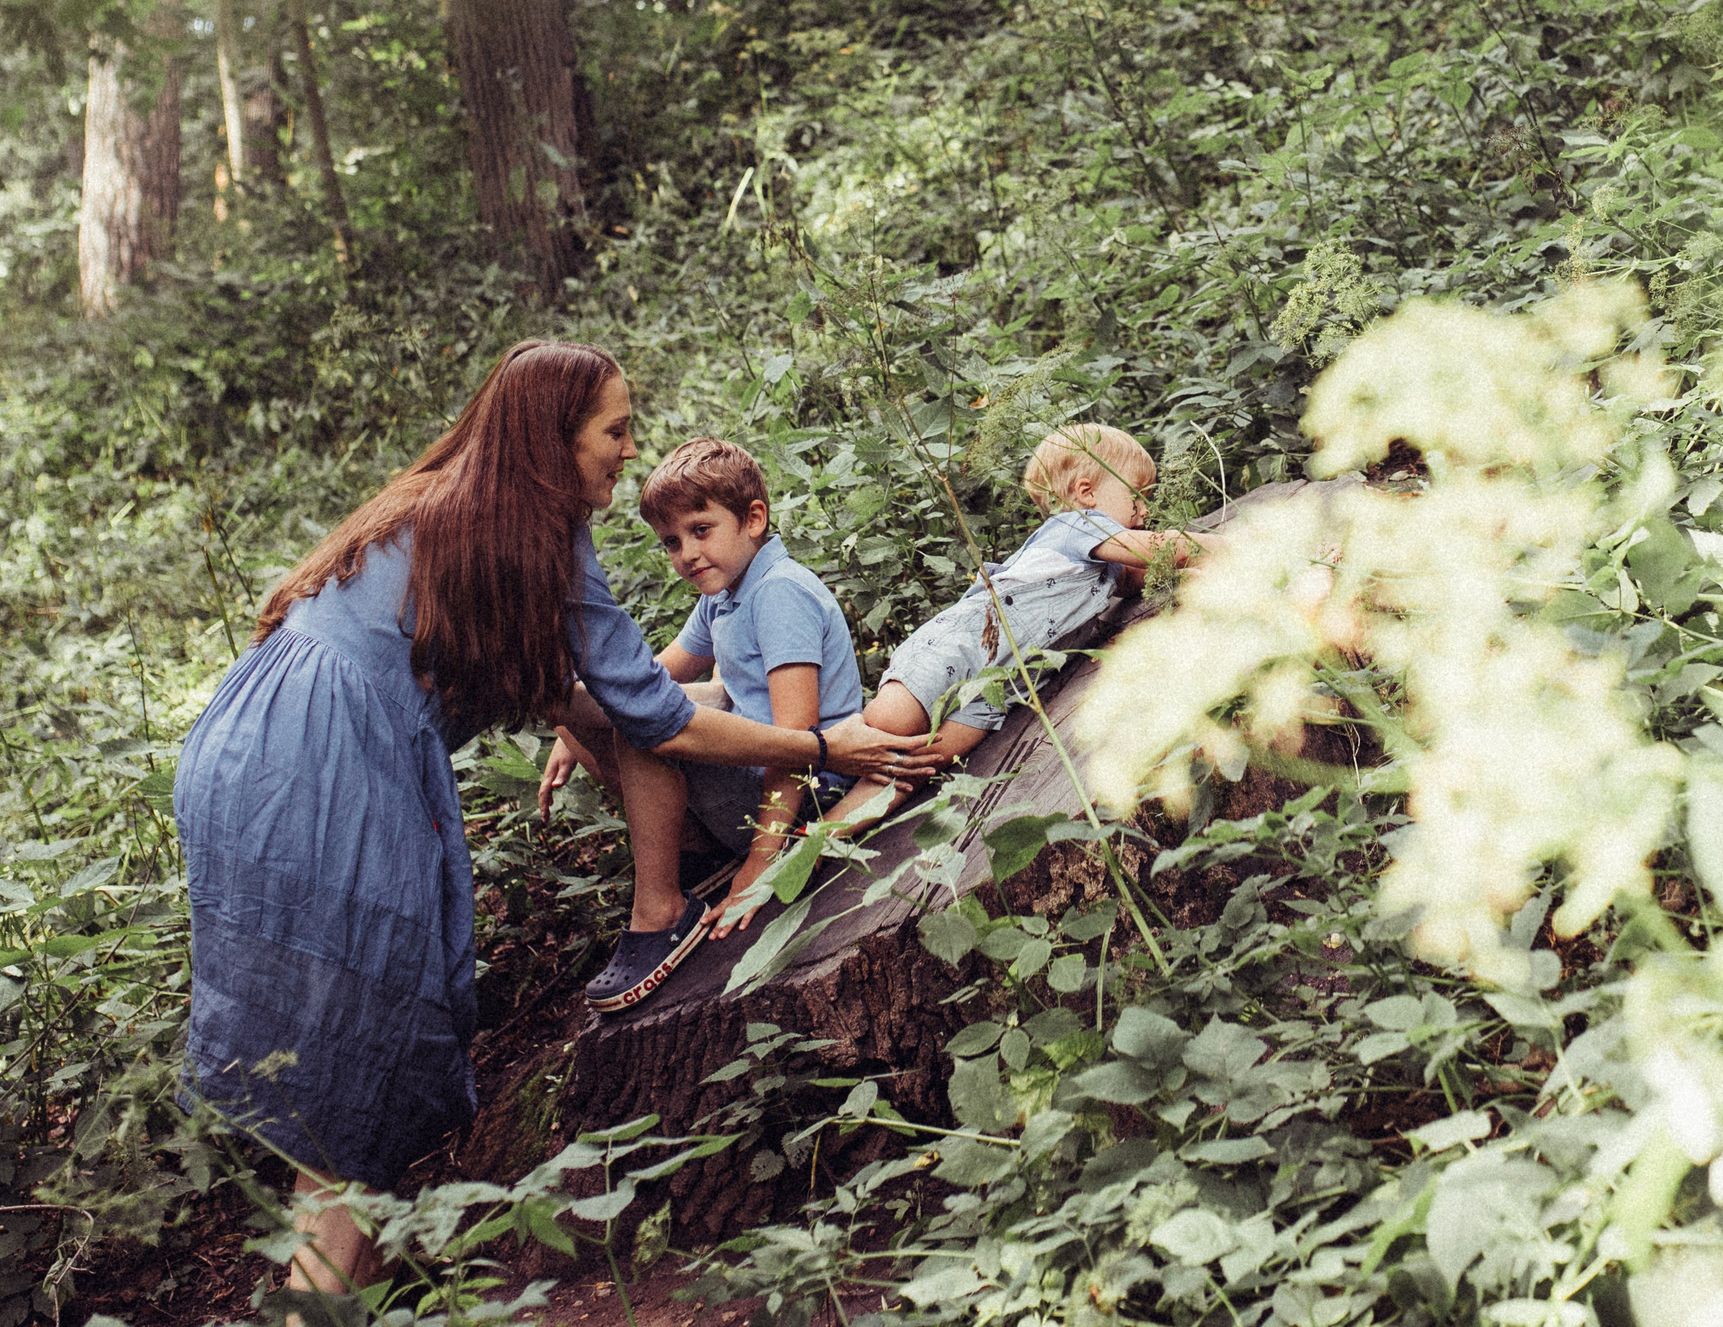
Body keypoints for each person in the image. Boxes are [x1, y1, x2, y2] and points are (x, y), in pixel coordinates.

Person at [171, 341, 933, 1314]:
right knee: (355, 1086)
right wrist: (825, 748)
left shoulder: (437, 500)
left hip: (239, 743)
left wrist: (572, 711)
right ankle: (311, 1301)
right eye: (614, 431)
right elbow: (657, 713)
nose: (626, 449)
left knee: (334, 1083)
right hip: (332, 765)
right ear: (554, 436)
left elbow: (570, 678)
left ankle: (329, 1293)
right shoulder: (537, 533)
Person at [539, 438, 867, 971]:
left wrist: (761, 864)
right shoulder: (723, 594)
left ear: (753, 518)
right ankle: (694, 851)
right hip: (754, 769)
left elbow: (800, 745)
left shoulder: (780, 593)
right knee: (580, 702)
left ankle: (669, 900)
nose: (686, 553)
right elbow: (648, 678)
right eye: (671, 542)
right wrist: (570, 732)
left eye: (700, 530)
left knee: (642, 725)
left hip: (808, 794)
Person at [822, 423, 1211, 842]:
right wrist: (1236, 548)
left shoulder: (1104, 564)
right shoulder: (1077, 526)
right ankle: (813, 764)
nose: (1143, 512)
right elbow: (1162, 549)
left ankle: (822, 836)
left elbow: (1140, 577)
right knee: (889, 722)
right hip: (965, 644)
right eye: (1137, 495)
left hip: (1002, 686)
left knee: (920, 763)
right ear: (1086, 495)